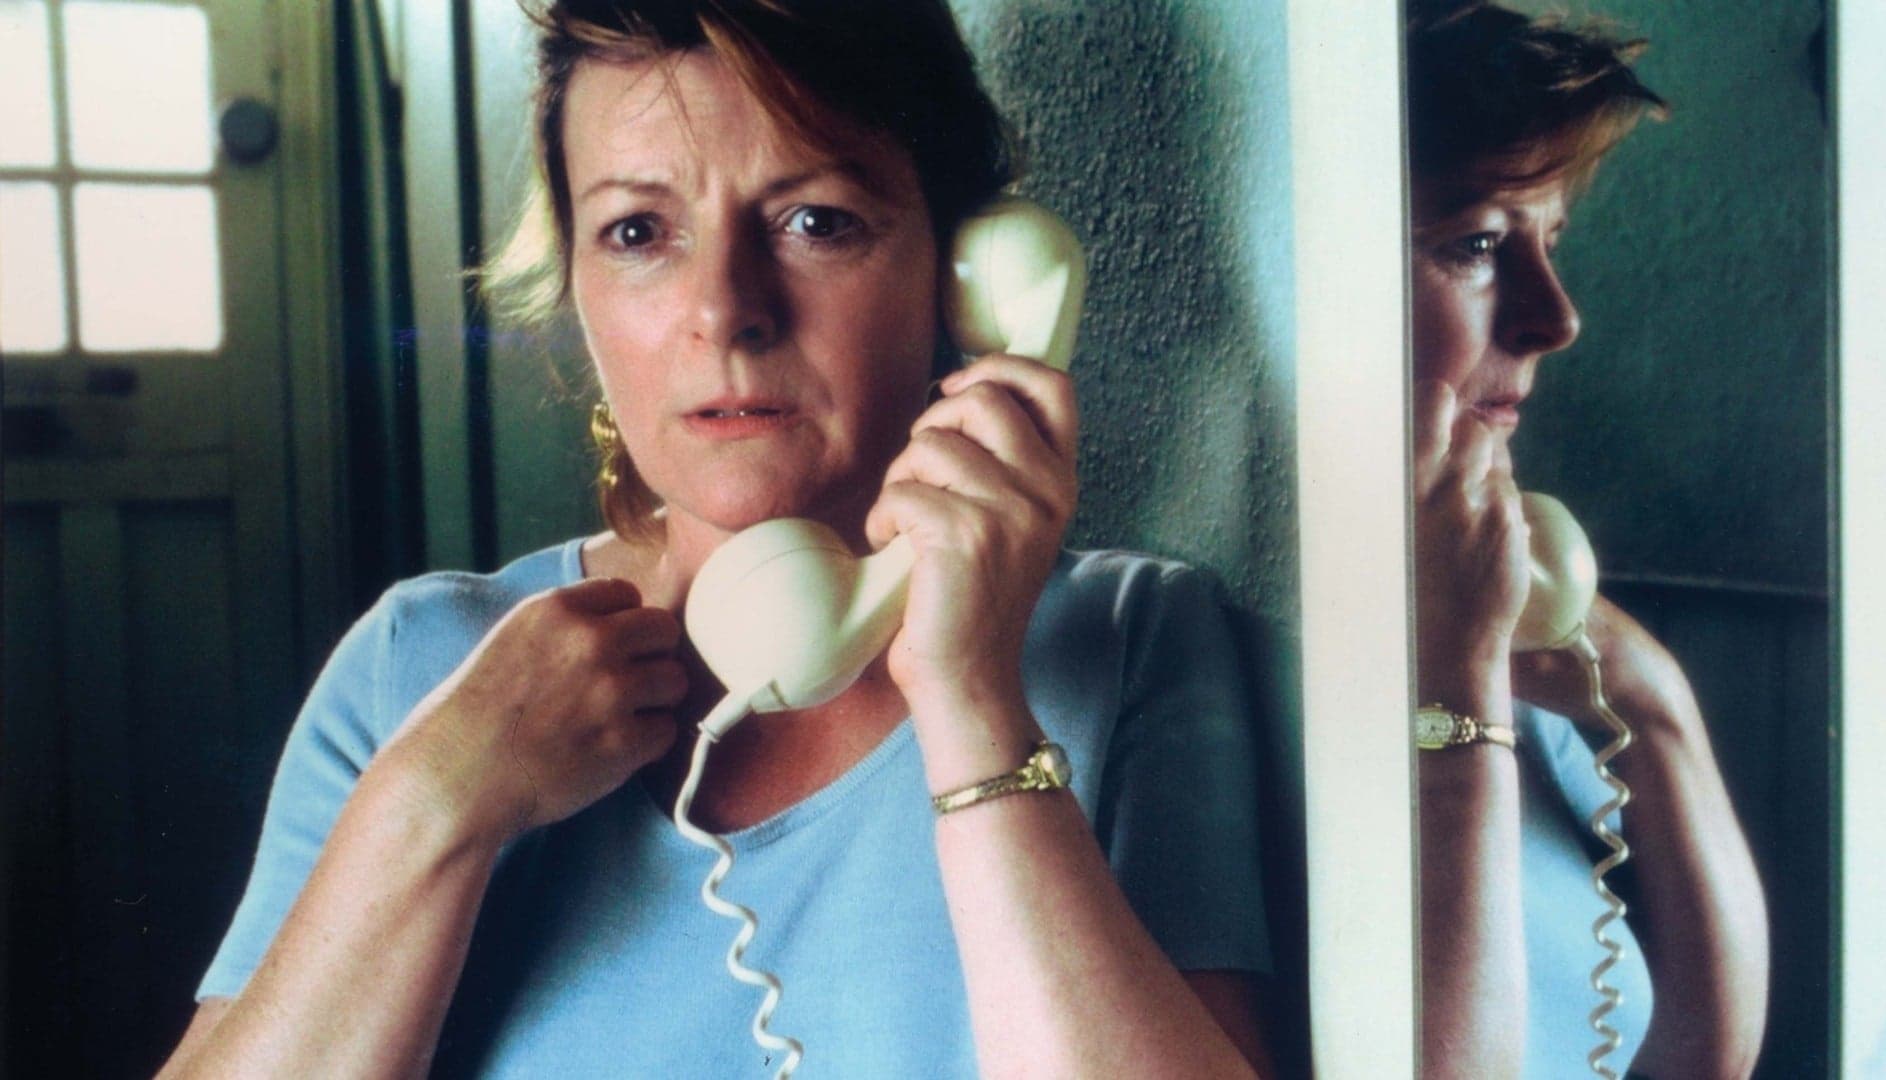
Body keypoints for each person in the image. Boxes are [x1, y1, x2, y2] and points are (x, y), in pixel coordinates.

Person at [158, 1, 1275, 1075]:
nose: (724, 307)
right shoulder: (418, 667)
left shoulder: (1134, 642)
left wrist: (972, 701)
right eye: (638, 232)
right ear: (577, 280)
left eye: (815, 221)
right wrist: (432, 809)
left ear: (963, 271)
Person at [1405, 2, 1769, 1076]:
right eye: (1476, 245)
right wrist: (1454, 686)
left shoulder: (1514, 610)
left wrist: (1652, 705)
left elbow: (1697, 1061)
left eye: (1549, 243)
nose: (1555, 318)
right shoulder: (1204, 650)